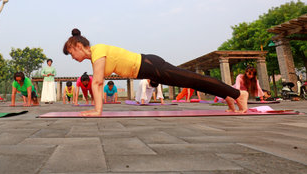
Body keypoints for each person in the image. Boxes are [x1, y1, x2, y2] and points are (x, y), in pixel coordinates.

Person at [63, 28, 248, 116]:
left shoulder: (98, 51)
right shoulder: (97, 56)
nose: (72, 57)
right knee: (192, 80)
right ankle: (229, 95)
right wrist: (96, 109)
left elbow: (97, 82)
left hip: (151, 65)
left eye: (72, 53)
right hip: (148, 68)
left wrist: (97, 111)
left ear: (78, 46)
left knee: (192, 80)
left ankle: (238, 93)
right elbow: (98, 80)